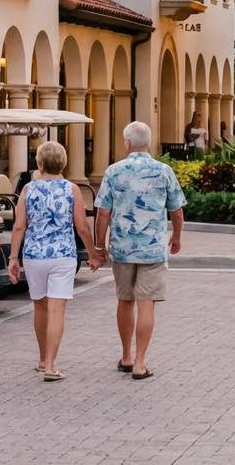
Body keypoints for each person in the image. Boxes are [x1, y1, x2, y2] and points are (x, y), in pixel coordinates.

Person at [91, 121, 185, 380]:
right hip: (153, 249)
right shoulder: (164, 171)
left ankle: (126, 356)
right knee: (147, 304)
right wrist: (176, 236)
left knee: (125, 300)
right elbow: (176, 210)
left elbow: (102, 212)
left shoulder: (114, 171)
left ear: (127, 143)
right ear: (149, 143)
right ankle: (141, 363)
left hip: (122, 248)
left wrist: (100, 246)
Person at [7, 141, 94, 381]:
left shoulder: (28, 190)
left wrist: (13, 257)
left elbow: (19, 226)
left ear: (40, 163)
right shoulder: (72, 190)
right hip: (62, 255)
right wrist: (93, 253)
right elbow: (82, 227)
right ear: (64, 163)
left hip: (34, 255)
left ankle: (43, 357)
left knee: (40, 307)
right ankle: (51, 366)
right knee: (57, 310)